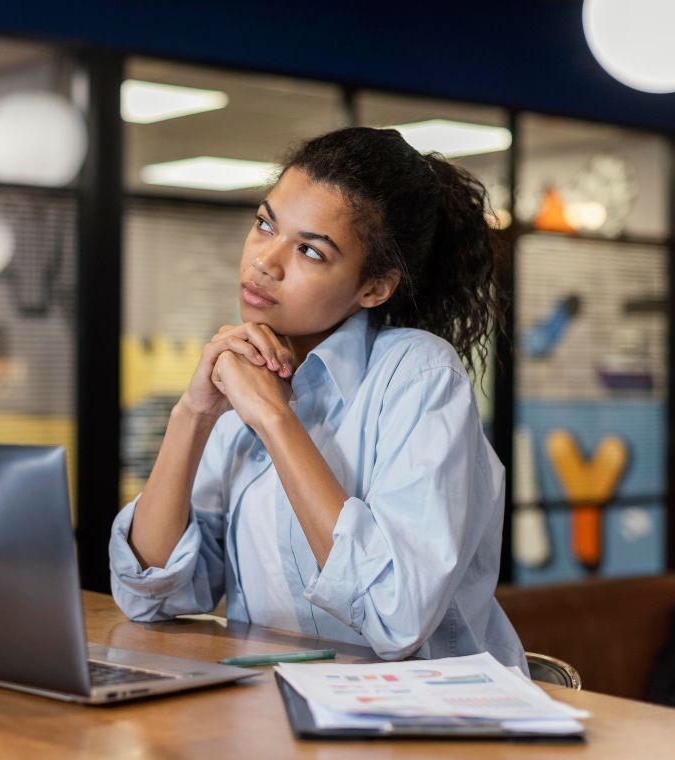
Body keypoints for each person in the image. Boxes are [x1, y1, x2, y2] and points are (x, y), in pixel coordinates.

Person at [108, 127, 526, 669]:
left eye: (309, 250)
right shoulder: (244, 375)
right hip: (275, 717)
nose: (265, 262)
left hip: (423, 730)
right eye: (265, 225)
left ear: (374, 288)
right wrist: (194, 414)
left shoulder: (418, 375)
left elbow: (394, 617)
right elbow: (151, 596)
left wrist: (276, 419)